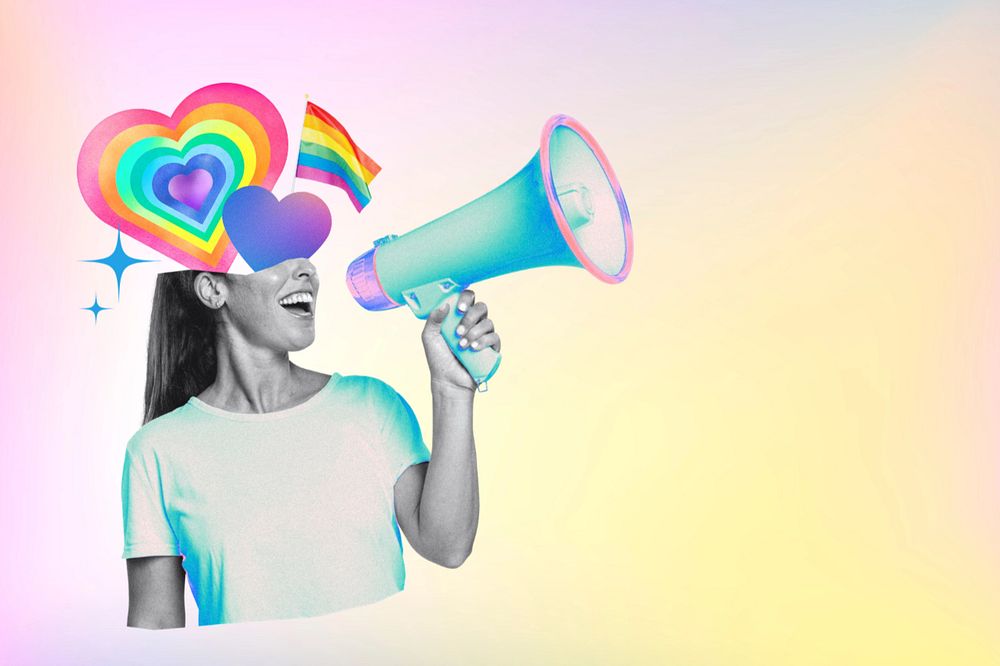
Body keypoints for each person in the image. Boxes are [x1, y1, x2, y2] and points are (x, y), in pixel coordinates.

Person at [121, 257, 500, 628]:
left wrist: (452, 390)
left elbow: (447, 546)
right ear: (213, 288)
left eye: (307, 254)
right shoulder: (157, 451)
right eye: (274, 254)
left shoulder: (370, 406)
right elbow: (155, 627)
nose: (307, 270)